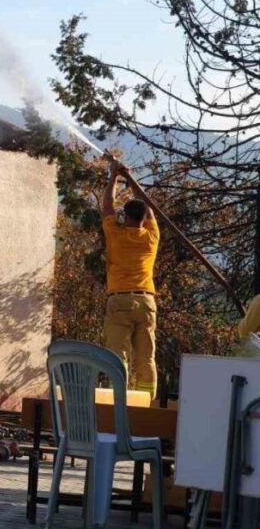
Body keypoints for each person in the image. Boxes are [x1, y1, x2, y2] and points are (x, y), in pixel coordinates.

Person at [101, 158, 160, 397]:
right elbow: (148, 207)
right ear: (144, 218)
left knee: (118, 357)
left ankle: (120, 403)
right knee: (146, 358)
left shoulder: (115, 234)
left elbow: (107, 206)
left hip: (120, 301)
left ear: (124, 216)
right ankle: (147, 404)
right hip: (146, 302)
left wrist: (114, 176)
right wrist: (131, 180)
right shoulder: (152, 236)